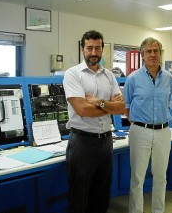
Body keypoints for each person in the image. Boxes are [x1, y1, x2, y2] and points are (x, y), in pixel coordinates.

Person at [63, 30, 125, 213]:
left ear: (102, 49)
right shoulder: (73, 74)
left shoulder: (109, 76)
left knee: (101, 195)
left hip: (106, 141)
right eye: (89, 48)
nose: (93, 52)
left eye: (97, 48)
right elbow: (82, 109)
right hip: (82, 142)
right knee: (79, 198)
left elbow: (121, 109)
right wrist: (109, 106)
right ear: (83, 49)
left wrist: (98, 102)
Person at [123, 37, 172, 213]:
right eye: (148, 51)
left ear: (160, 54)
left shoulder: (169, 78)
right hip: (140, 131)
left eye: (156, 51)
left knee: (161, 177)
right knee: (138, 178)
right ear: (142, 55)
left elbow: (169, 103)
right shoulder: (132, 79)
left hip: (163, 131)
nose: (152, 54)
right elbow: (127, 108)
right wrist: (140, 123)